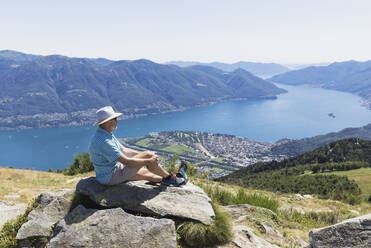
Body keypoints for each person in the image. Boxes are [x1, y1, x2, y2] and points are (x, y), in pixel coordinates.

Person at [88, 106, 187, 186]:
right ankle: (172, 178)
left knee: (149, 174)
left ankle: (173, 178)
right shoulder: (104, 141)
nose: (116, 121)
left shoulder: (105, 134)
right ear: (109, 121)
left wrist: (144, 155)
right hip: (111, 177)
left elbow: (124, 150)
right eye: (115, 118)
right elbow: (126, 161)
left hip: (110, 174)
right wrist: (148, 159)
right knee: (148, 156)